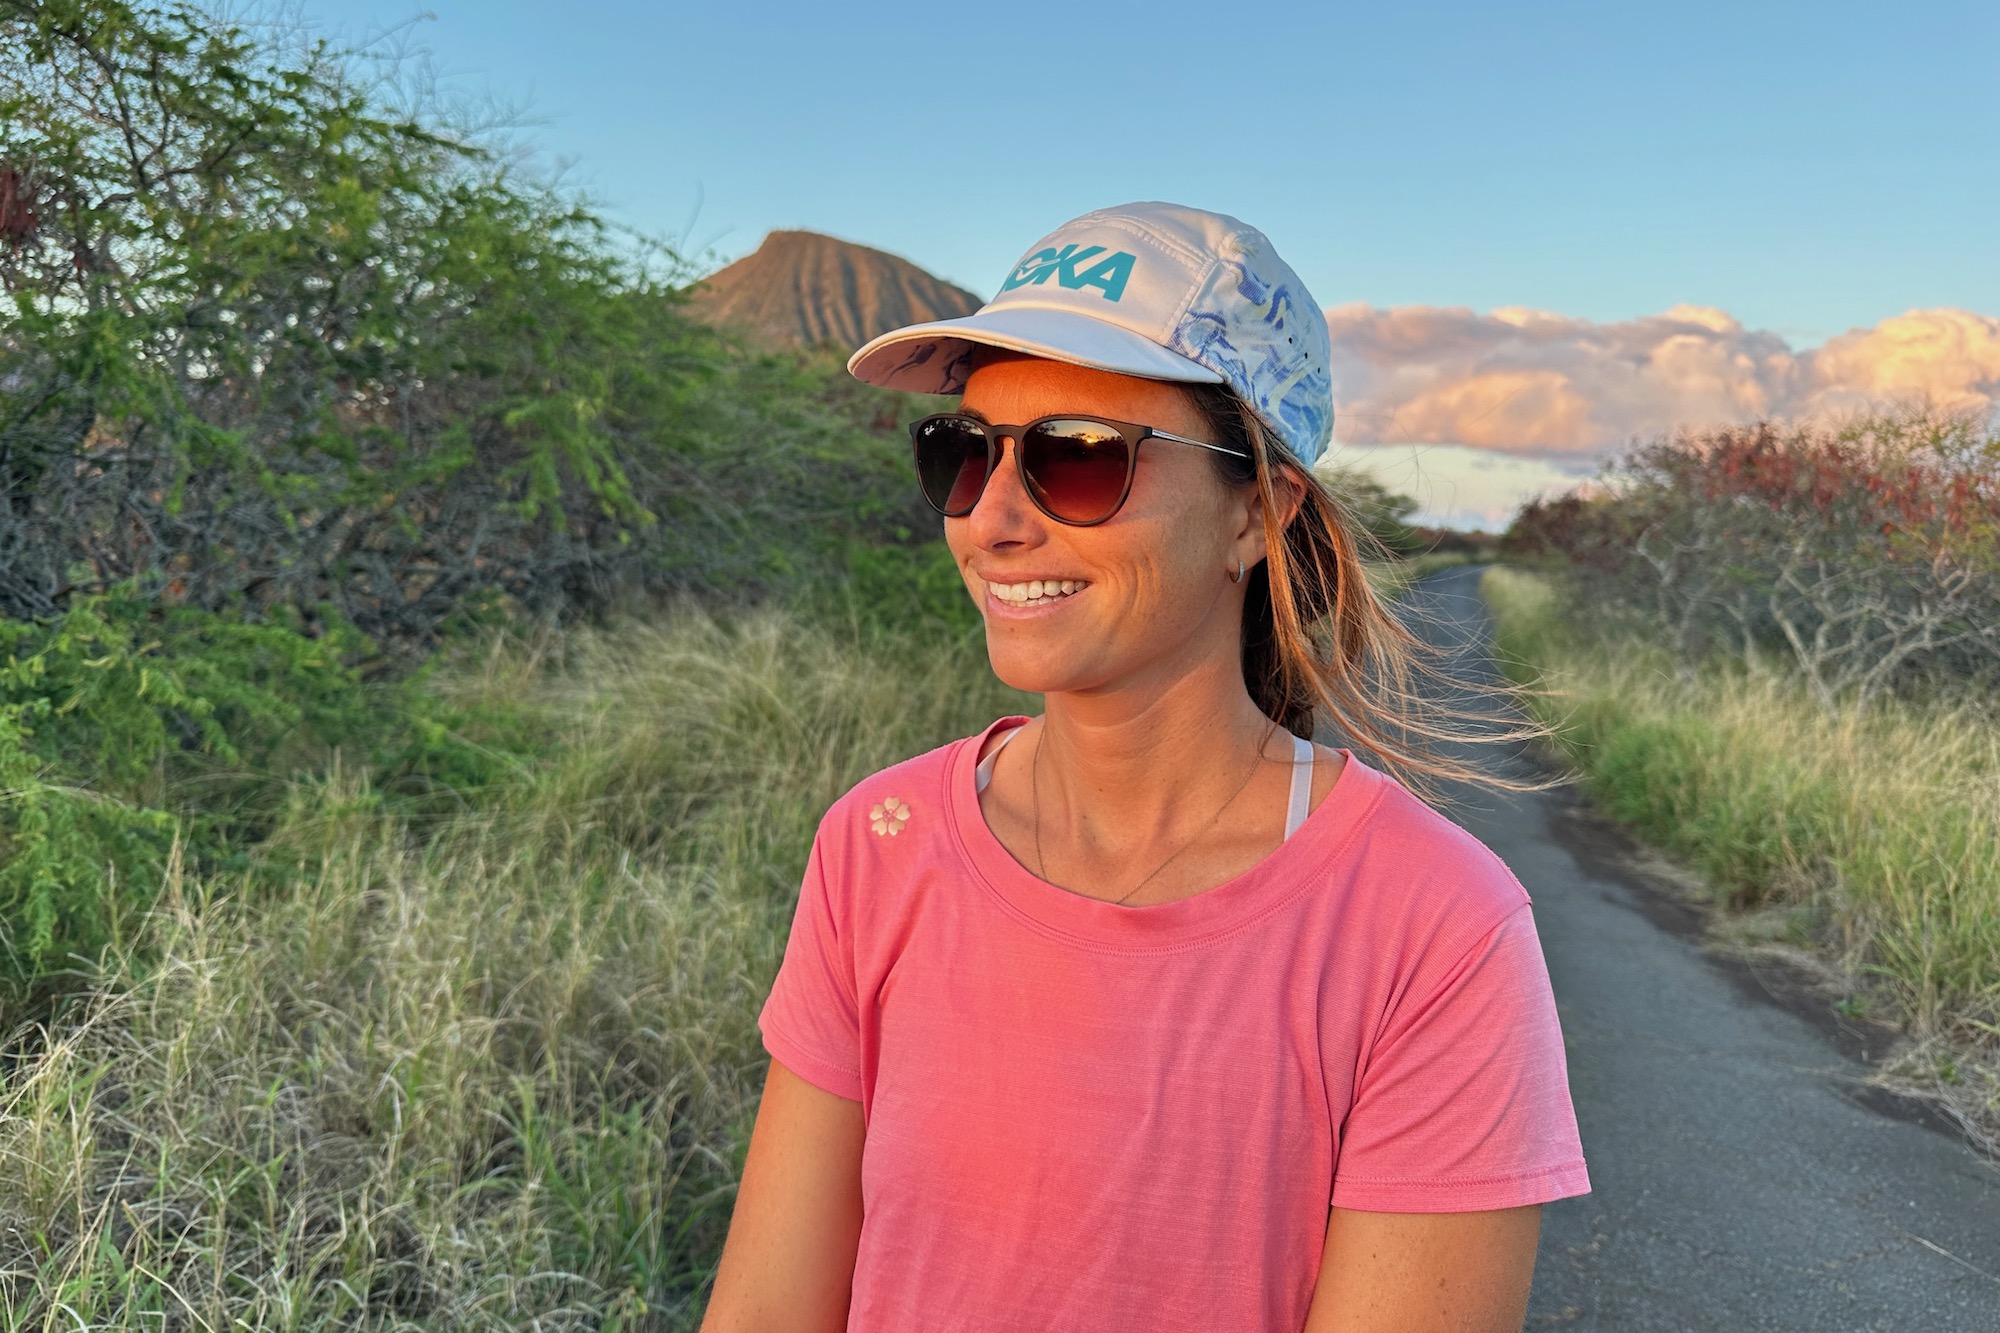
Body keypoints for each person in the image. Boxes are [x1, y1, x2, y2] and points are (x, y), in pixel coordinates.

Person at [699, 202, 1589, 1333]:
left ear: (1257, 513)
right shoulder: (876, 845)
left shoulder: (1434, 930)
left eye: (1078, 460)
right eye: (960, 452)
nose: (992, 521)